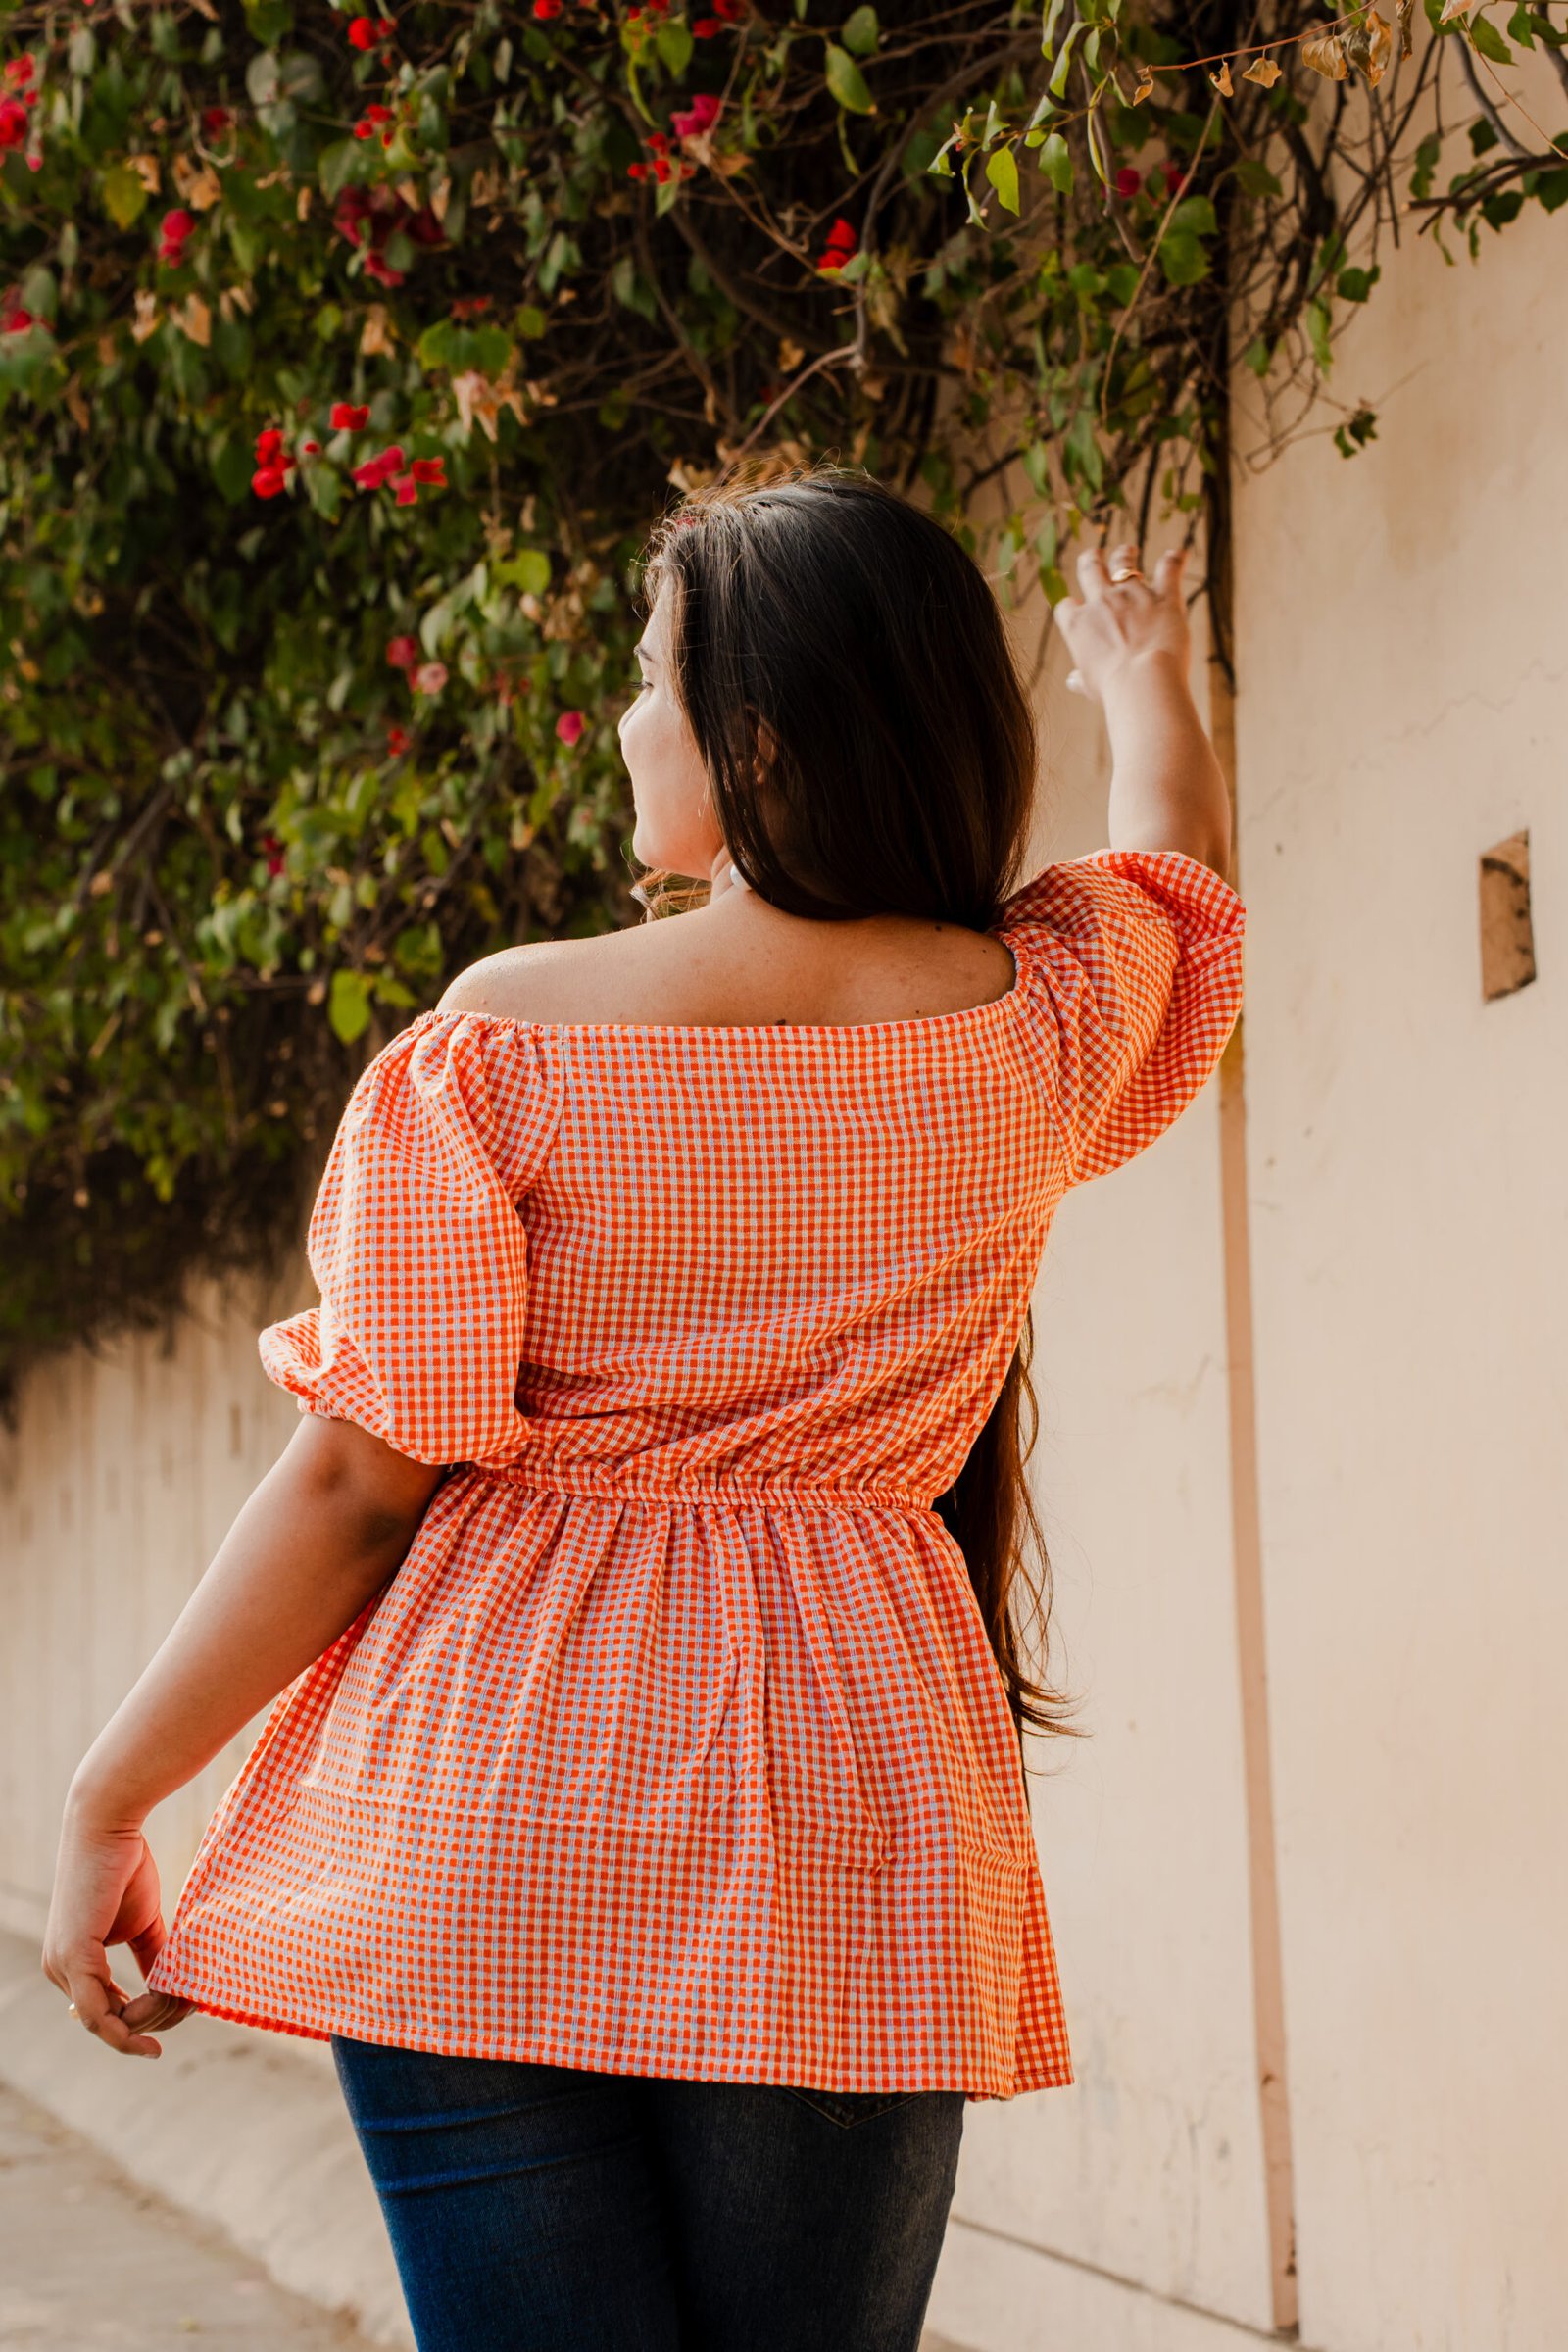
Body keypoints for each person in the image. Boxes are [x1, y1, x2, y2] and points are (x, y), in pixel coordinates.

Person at [41, 465, 1245, 2352]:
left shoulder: (503, 1045)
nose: (618, 718)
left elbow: (361, 1477)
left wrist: (116, 1794)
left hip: (485, 1813)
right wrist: (1154, 679)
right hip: (850, 1829)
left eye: (643, 671)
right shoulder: (1034, 1029)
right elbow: (1181, 890)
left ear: (751, 738)